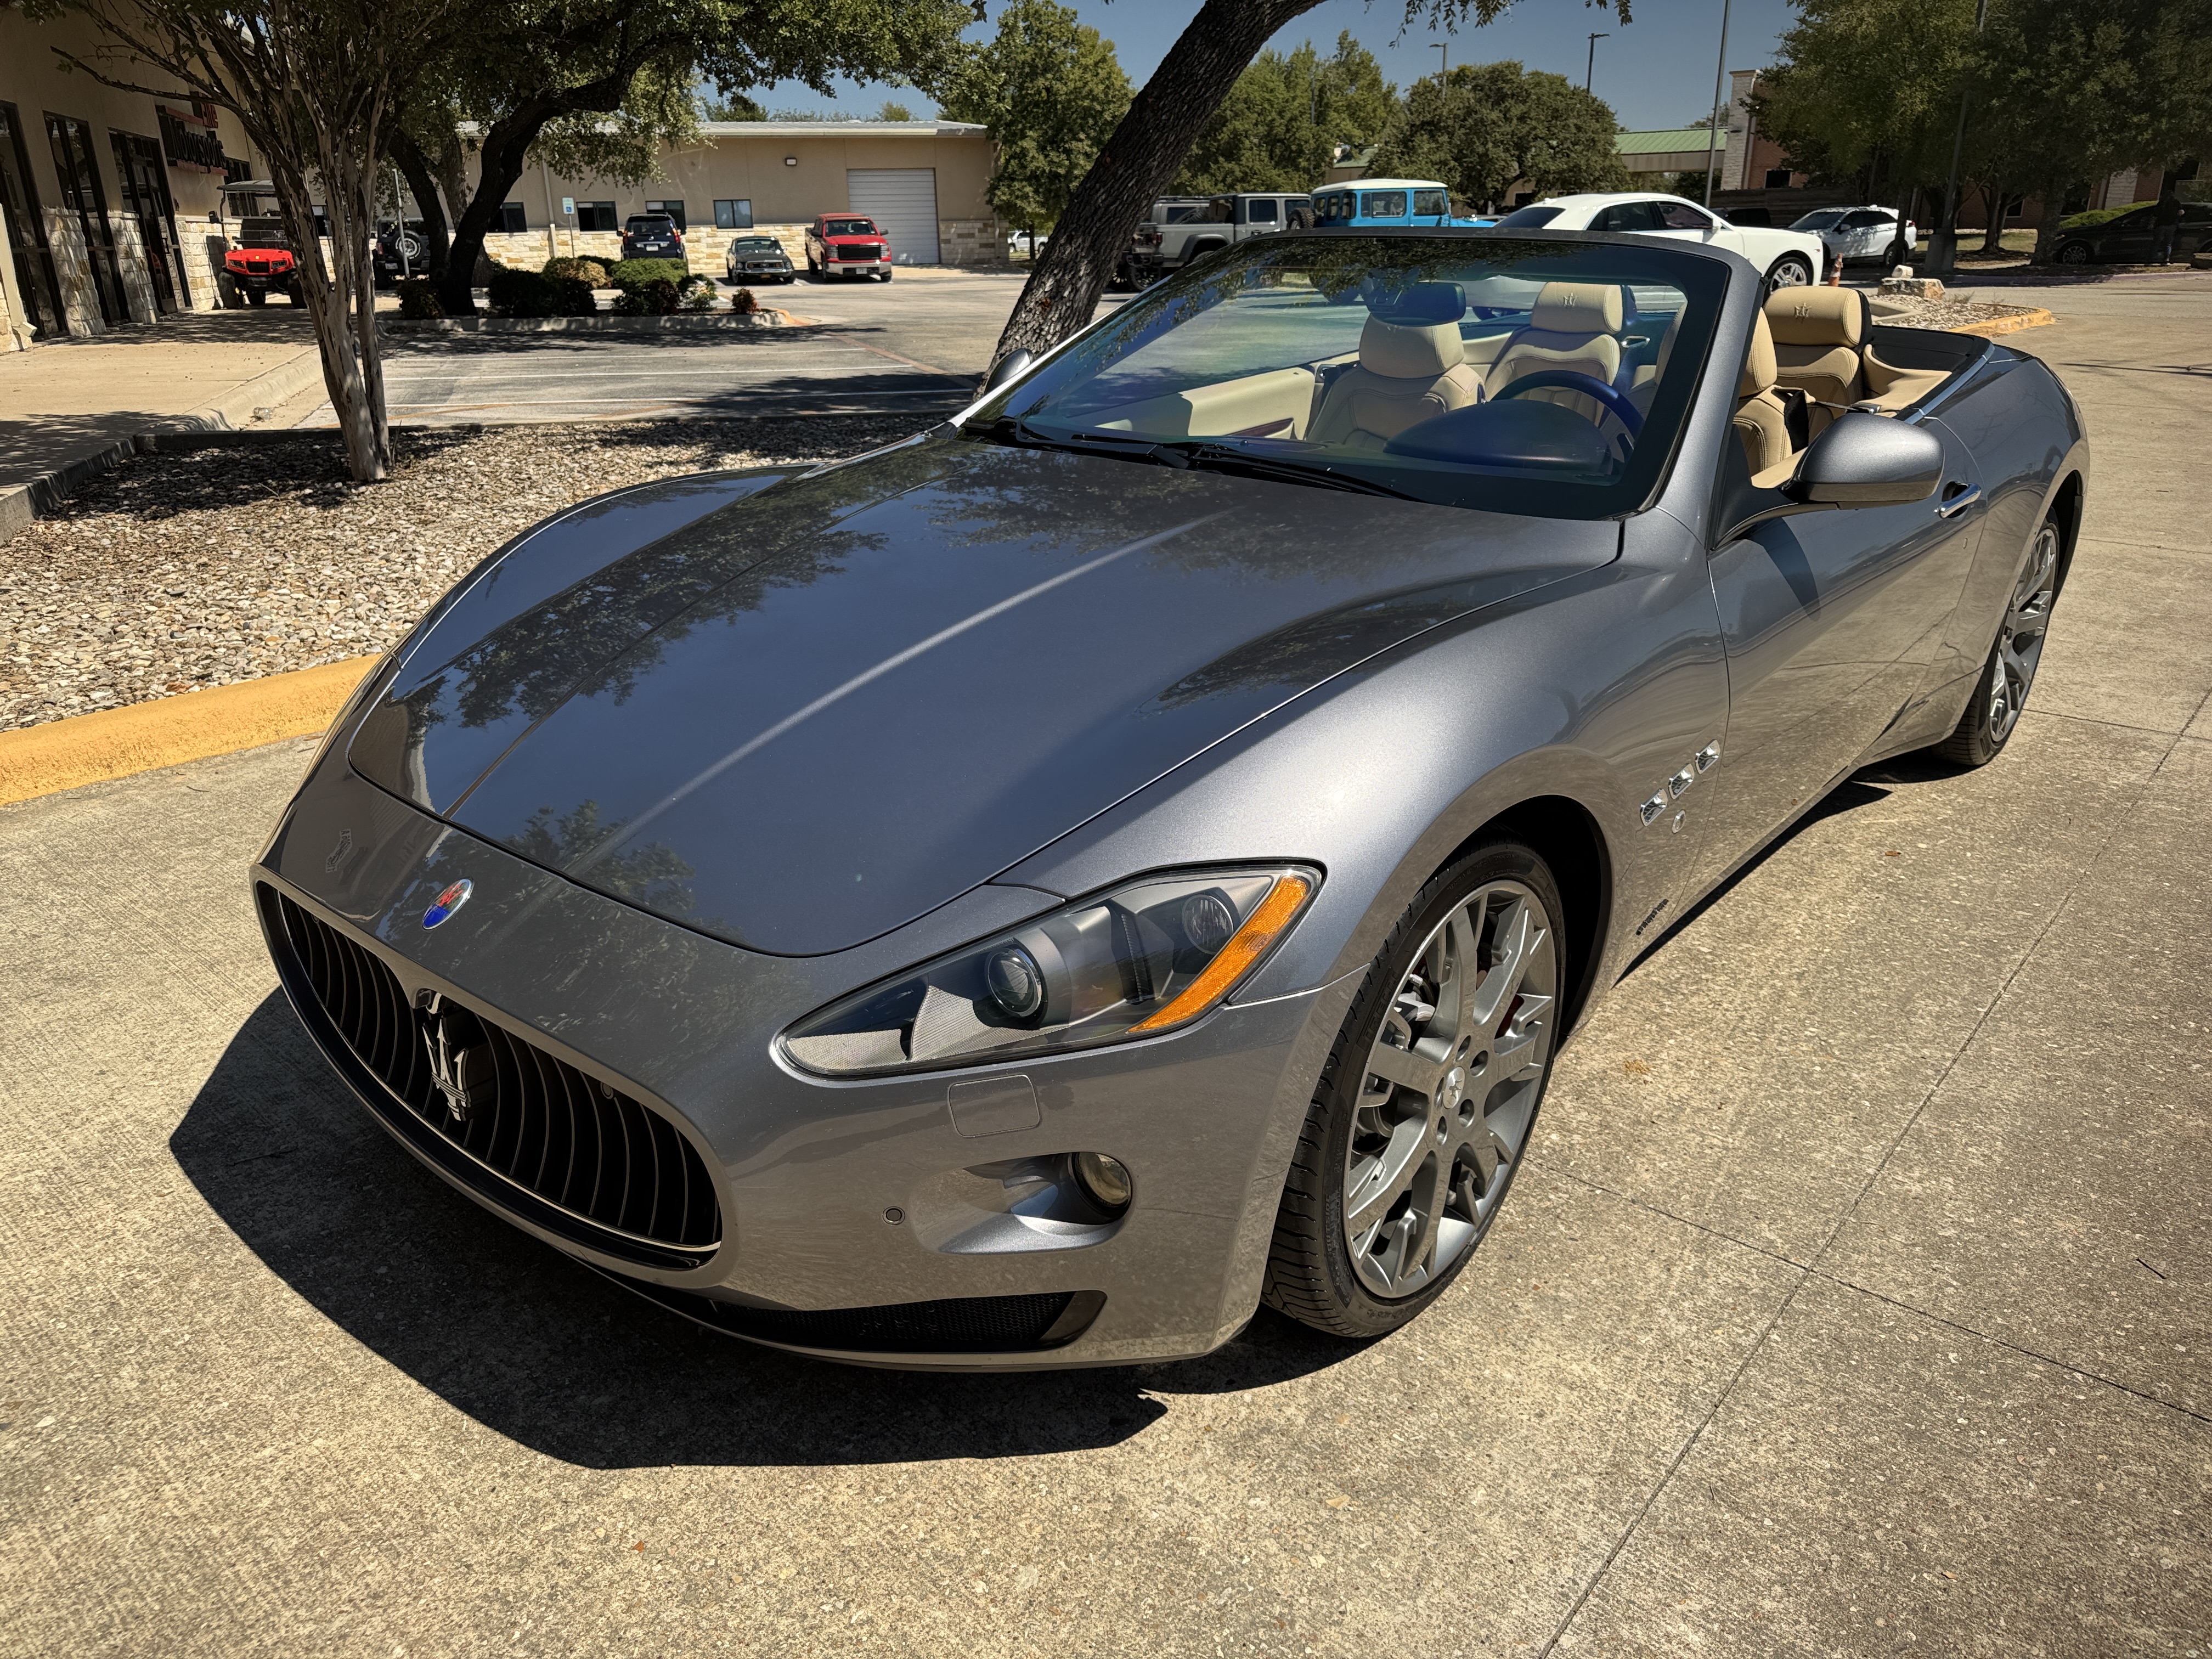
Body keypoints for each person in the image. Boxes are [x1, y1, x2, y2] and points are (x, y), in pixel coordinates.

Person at [2152, 188, 2185, 264]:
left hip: (2161, 225)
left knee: (2156, 243)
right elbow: (2181, 212)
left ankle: (2153, 258)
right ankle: (2166, 259)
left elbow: (2156, 213)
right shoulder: (2176, 202)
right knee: (2168, 243)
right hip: (2172, 225)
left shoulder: (2162, 203)